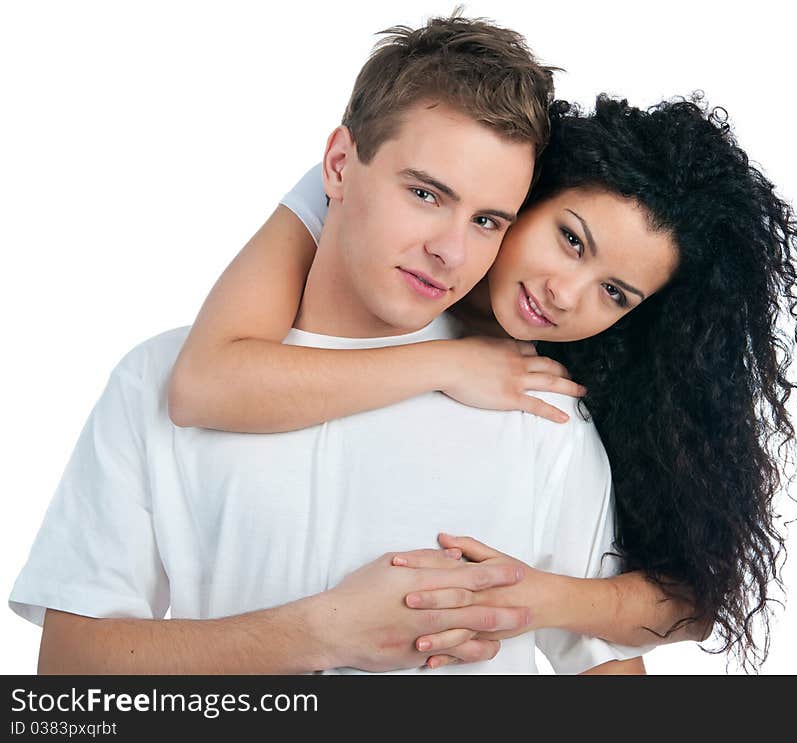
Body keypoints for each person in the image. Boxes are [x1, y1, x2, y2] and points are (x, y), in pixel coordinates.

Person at [10, 14, 685, 675]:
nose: (450, 250)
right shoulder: (154, 380)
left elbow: (609, 669)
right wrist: (322, 632)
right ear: (339, 163)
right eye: (425, 193)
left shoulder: (537, 411)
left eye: (486, 220)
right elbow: (69, 680)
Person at [167, 95, 797, 672]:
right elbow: (202, 384)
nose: (565, 293)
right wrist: (447, 364)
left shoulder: (555, 406)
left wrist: (528, 597)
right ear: (526, 194)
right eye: (571, 240)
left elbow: (688, 600)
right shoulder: (358, 191)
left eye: (614, 292)